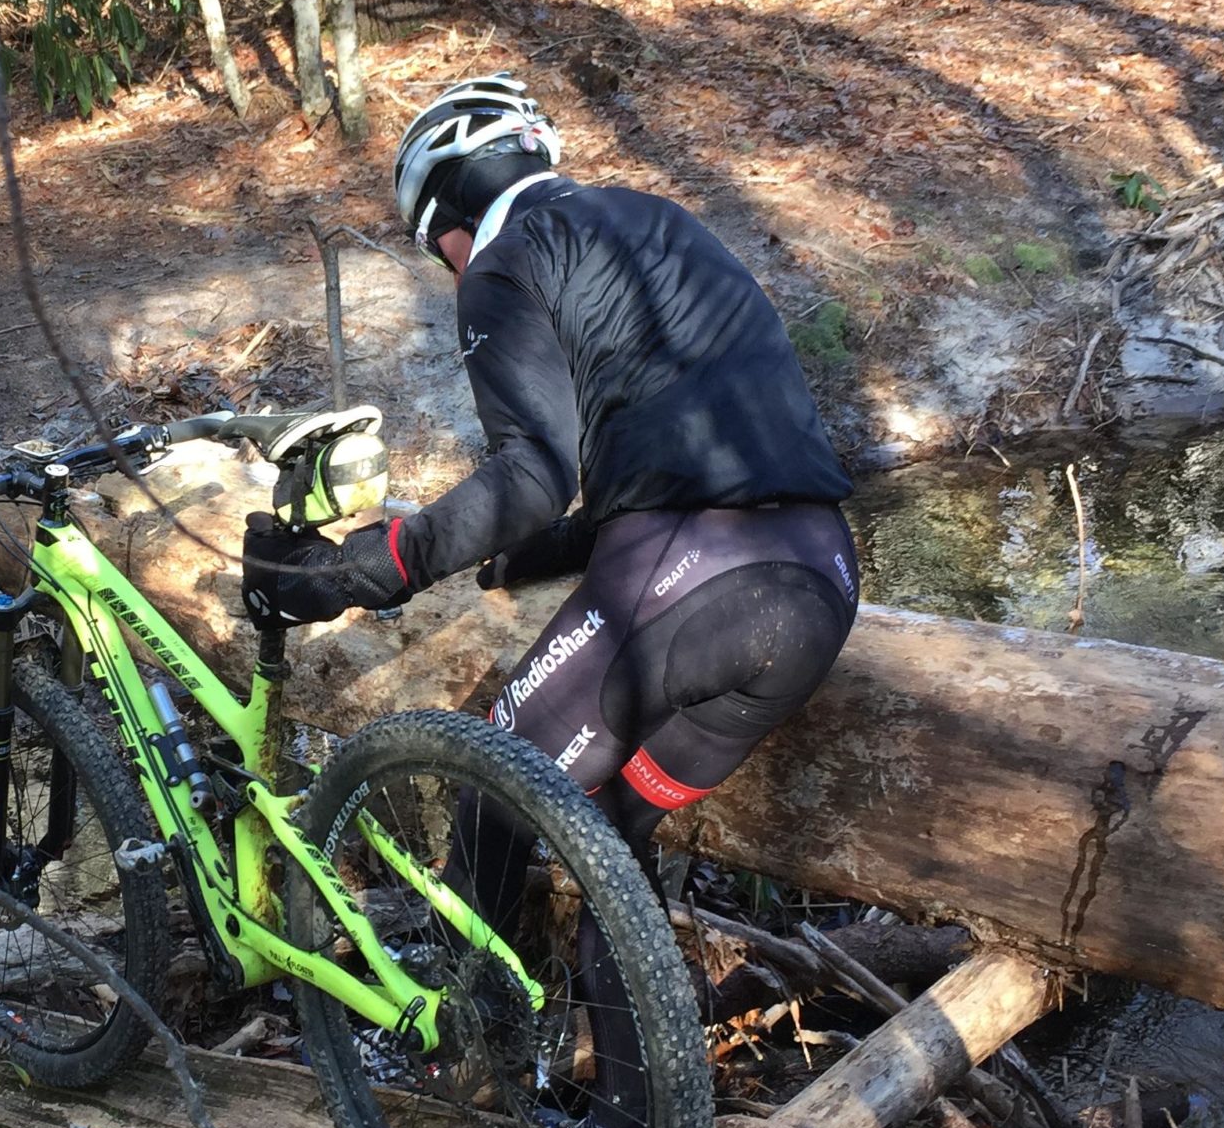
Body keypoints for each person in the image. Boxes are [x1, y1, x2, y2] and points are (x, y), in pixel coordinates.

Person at [241, 73, 860, 884]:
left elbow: (533, 473)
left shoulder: (505, 263)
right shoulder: (658, 219)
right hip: (825, 573)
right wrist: (545, 549)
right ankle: (618, 1014)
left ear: (452, 215)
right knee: (613, 855)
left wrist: (359, 570)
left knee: (494, 788)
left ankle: (459, 1014)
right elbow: (686, 437)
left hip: (695, 578)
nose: (451, 269)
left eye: (438, 250)